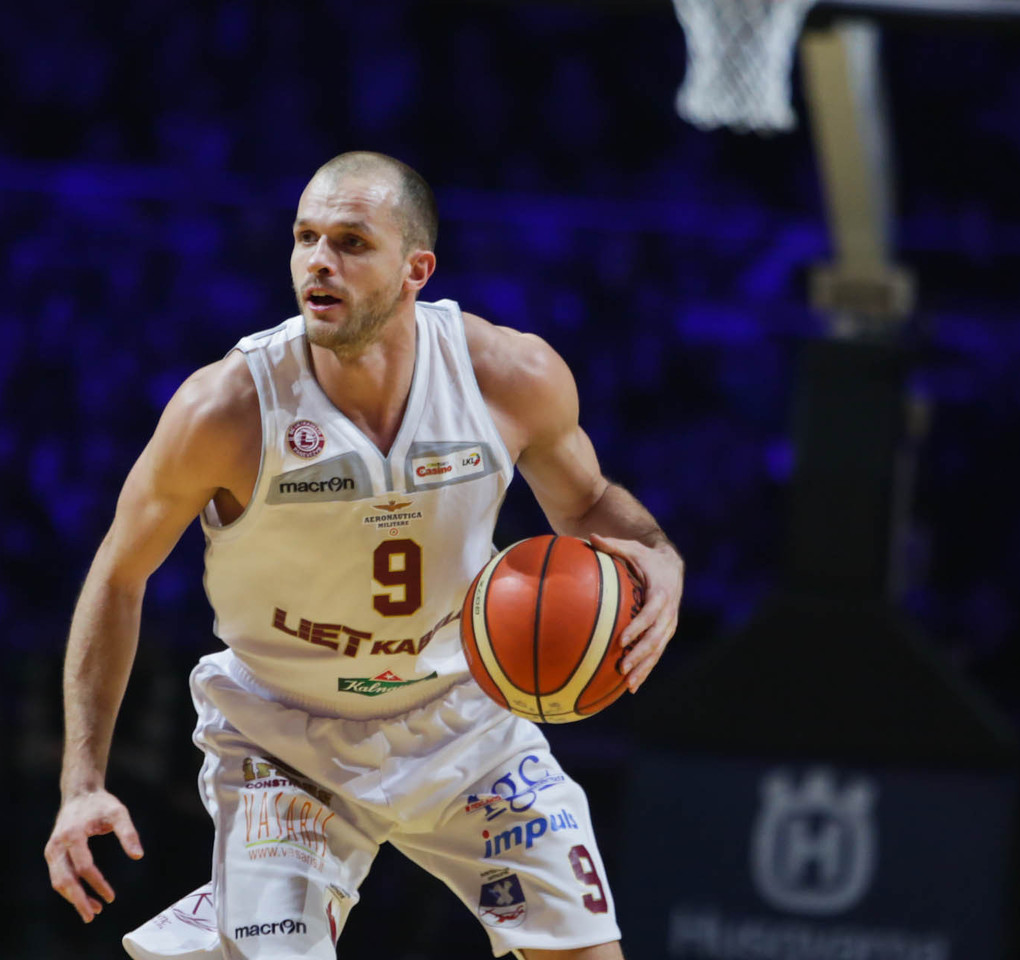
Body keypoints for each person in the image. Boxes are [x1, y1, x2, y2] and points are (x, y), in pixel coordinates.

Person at [44, 151, 684, 960]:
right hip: (285, 737)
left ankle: (231, 912)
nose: (319, 261)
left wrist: (657, 554)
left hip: (462, 719)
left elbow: (586, 503)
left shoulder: (507, 376)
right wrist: (81, 783)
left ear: (417, 270)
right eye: (305, 237)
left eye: (350, 242)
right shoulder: (225, 410)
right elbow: (118, 574)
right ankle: (245, 902)